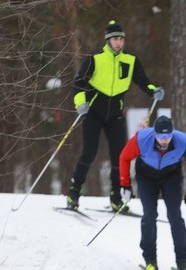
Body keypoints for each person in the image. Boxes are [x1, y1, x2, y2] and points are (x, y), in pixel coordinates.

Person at [66, 20, 163, 213]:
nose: (119, 43)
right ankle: (74, 193)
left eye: (121, 39)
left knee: (120, 155)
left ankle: (116, 197)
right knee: (89, 152)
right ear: (108, 40)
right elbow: (78, 84)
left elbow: (143, 81)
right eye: (115, 39)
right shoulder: (95, 58)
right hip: (93, 111)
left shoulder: (130, 60)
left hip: (114, 114)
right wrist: (80, 104)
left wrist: (154, 91)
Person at [118, 115, 186, 270]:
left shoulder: (182, 141)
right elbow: (124, 158)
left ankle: (183, 261)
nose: (164, 140)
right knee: (149, 214)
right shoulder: (141, 139)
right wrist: (125, 185)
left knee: (175, 216)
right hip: (146, 177)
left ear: (172, 133)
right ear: (154, 133)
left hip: (171, 177)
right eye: (161, 136)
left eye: (168, 136)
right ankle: (150, 259)